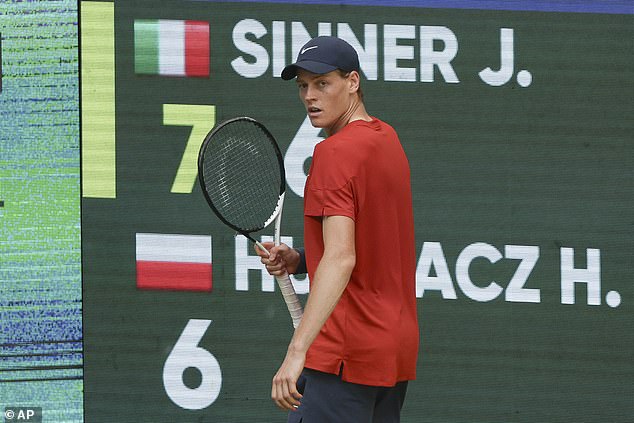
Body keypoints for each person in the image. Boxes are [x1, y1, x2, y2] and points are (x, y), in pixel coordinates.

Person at [256, 36, 419, 423]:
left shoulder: (333, 153)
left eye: (322, 83)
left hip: (345, 354)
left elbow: (342, 257)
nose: (310, 96)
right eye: (303, 86)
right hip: (392, 348)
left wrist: (297, 352)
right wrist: (301, 261)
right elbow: (371, 244)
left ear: (353, 82)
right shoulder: (386, 139)